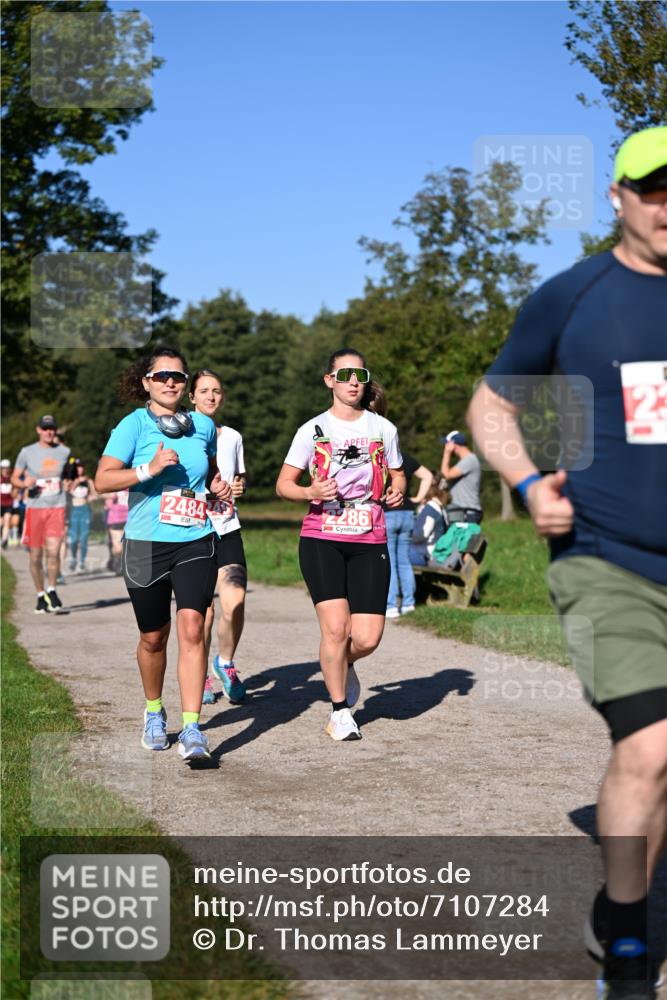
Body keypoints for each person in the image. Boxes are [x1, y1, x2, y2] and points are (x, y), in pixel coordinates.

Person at [467, 126, 667, 999]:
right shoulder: (573, 296)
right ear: (617, 197)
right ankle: (626, 941)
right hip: (604, 559)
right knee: (653, 744)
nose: (666, 207)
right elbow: (491, 403)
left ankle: (615, 902)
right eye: (653, 189)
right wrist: (523, 481)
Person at [94, 345, 232, 763]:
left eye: (178, 377)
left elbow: (209, 471)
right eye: (161, 376)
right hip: (146, 544)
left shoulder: (203, 426)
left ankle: (192, 728)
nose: (170, 382)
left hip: (195, 539)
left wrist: (217, 486)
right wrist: (148, 470)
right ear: (146, 382)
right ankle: (154, 711)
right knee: (153, 638)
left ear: (186, 384)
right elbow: (102, 480)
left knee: (193, 627)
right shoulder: (133, 425)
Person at [276, 348, 406, 741]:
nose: (353, 382)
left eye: (360, 375)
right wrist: (310, 491)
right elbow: (283, 485)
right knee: (335, 629)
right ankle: (339, 711)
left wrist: (398, 490)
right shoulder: (312, 430)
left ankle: (340, 665)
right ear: (329, 380)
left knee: (366, 637)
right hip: (322, 536)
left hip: (369, 535)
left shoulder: (383, 428)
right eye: (345, 374)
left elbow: (398, 473)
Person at [189, 368, 248, 706]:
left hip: (227, 527)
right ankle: (200, 675)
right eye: (204, 391)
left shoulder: (233, 437)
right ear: (191, 397)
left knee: (235, 601)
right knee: (204, 613)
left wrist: (239, 486)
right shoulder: (182, 434)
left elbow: (239, 478)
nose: (211, 396)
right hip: (193, 532)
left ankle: (225, 663)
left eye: (216, 391)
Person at [11, 415, 70, 613]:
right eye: (45, 428)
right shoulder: (27, 452)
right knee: (36, 556)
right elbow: (15, 478)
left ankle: (52, 590)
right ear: (38, 430)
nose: (49, 432)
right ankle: (39, 594)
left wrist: (68, 482)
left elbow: (68, 475)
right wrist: (24, 483)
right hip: (35, 508)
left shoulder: (64, 452)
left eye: (52, 428)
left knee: (53, 552)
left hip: (57, 507)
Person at [385, 453, 433, 617]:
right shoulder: (405, 457)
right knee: (404, 561)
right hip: (407, 512)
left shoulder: (378, 457)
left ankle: (391, 605)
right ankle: (408, 603)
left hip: (387, 513)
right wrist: (418, 498)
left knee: (389, 562)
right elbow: (427, 476)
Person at [440, 430, 483, 523]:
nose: (445, 447)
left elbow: (445, 475)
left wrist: (446, 453)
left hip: (468, 512)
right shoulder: (466, 461)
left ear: (453, 445)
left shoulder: (469, 460)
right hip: (462, 511)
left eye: (447, 445)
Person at [409, 477, 450, 567]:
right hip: (430, 551)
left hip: (424, 553)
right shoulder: (442, 508)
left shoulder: (431, 508)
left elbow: (421, 534)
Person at [67, 460, 96, 572]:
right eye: (77, 467)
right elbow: (68, 492)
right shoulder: (70, 480)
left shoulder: (88, 481)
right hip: (73, 511)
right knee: (73, 539)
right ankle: (73, 558)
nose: (79, 469)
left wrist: (92, 497)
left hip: (85, 510)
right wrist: (77, 482)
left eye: (80, 467)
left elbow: (94, 493)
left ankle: (82, 562)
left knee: (84, 538)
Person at [104, 489, 129, 575]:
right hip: (116, 518)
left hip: (128, 518)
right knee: (118, 546)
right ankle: (118, 563)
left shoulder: (132, 486)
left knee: (125, 544)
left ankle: (121, 564)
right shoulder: (114, 486)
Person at [1, 459, 14, 548]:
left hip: (8, 504)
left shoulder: (12, 479)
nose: (5, 470)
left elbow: (15, 492)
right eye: (4, 468)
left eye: (7, 468)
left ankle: (4, 540)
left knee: (7, 521)